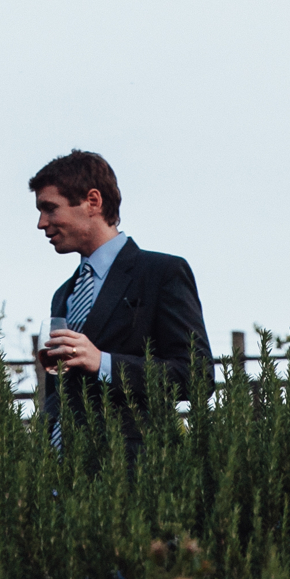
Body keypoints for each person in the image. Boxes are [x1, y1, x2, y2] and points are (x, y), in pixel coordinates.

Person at [32, 149, 209, 451]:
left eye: (50, 208)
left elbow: (196, 377)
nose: (41, 223)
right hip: (62, 477)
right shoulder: (63, 295)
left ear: (93, 202)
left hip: (130, 475)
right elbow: (58, 393)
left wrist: (103, 362)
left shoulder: (161, 273)